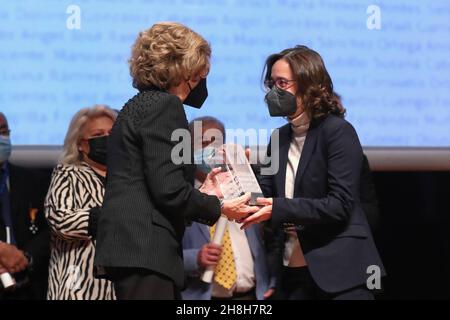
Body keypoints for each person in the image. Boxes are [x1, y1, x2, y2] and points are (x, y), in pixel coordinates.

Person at [94, 22, 258, 300]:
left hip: (133, 251)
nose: (204, 78)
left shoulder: (137, 105)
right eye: (201, 71)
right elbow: (168, 190)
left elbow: (150, 180)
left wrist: (201, 192)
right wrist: (219, 207)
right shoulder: (164, 106)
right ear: (184, 68)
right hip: (146, 250)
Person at [241, 45, 385, 299]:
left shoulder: (338, 132)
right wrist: (236, 173)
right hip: (293, 272)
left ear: (308, 84)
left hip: (341, 273)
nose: (274, 91)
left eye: (282, 83)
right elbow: (263, 195)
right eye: (271, 83)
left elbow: (339, 205)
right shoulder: (280, 137)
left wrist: (278, 208)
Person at [182, 116, 275, 300]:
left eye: (216, 141)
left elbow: (271, 235)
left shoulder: (246, 189)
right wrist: (196, 258)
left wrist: (272, 279)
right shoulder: (181, 197)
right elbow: (162, 252)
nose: (210, 148)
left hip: (254, 296)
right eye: (203, 142)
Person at [44, 105, 116, 300]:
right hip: (78, 287)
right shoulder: (68, 174)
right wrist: (111, 217)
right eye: (99, 134)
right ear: (80, 144)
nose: (108, 138)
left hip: (121, 288)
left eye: (112, 132)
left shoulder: (129, 178)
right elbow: (60, 220)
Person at [0, 112, 51, 300]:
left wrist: (25, 257)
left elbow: (51, 229)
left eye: (3, 131)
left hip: (28, 286)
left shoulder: (34, 180)